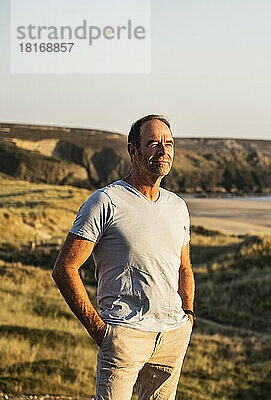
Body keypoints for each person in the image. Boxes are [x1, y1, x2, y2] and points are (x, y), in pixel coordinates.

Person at [52, 114, 195, 400]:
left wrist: (188, 317)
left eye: (169, 143)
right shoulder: (106, 201)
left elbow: (184, 268)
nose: (163, 150)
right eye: (153, 143)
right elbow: (64, 268)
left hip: (172, 337)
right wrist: (100, 331)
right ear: (133, 150)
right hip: (124, 337)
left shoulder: (177, 206)